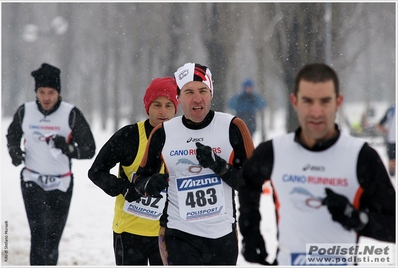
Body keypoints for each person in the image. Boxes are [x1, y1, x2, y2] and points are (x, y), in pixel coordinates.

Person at [238, 63, 396, 265]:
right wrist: (250, 233)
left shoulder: (362, 157)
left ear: (338, 102)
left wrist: (356, 219)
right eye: (307, 101)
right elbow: (247, 182)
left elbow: (393, 226)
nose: (316, 112)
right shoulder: (273, 152)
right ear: (294, 101)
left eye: (325, 101)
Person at [131, 62, 254, 265]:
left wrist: (220, 167)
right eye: (189, 92)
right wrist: (148, 185)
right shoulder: (162, 133)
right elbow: (139, 180)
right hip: (179, 233)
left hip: (222, 235)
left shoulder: (233, 127)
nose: (197, 98)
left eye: (202, 90)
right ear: (178, 97)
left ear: (211, 93)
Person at [6, 63, 96, 265]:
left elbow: (89, 149)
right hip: (32, 180)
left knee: (52, 239)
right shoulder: (25, 111)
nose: (46, 97)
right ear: (36, 92)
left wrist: (67, 148)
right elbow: (13, 135)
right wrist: (14, 152)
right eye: (41, 92)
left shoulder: (71, 114)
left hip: (61, 184)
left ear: (59, 92)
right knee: (39, 234)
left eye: (51, 92)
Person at [87, 77, 178, 265]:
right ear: (148, 107)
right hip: (129, 232)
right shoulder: (129, 136)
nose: (163, 111)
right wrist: (123, 187)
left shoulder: (183, 139)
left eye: (169, 105)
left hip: (167, 234)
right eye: (157, 105)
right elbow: (96, 171)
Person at [377, 104, 396, 177]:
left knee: (391, 158)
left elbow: (379, 124)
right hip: (391, 140)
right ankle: (392, 176)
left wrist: (386, 132)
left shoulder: (392, 109)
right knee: (392, 159)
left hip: (391, 139)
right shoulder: (392, 109)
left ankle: (392, 176)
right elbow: (379, 124)